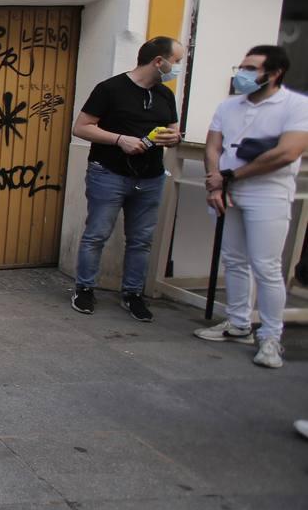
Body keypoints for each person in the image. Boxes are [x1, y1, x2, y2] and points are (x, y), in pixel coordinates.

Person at [195, 45, 308, 369]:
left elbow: (287, 153)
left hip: (267, 192)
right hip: (228, 190)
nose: (241, 73)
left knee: (266, 266)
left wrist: (230, 176)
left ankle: (271, 336)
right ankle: (238, 323)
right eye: (241, 66)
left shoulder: (296, 106)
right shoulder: (229, 106)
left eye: (250, 68)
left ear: (273, 74)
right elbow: (213, 144)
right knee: (234, 259)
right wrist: (215, 179)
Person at [70, 36, 185, 320]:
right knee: (96, 235)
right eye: (177, 61)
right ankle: (84, 289)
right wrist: (120, 139)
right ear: (159, 61)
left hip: (150, 177)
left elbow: (173, 129)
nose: (178, 68)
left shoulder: (165, 95)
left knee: (141, 239)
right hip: (108, 173)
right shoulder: (110, 89)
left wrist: (173, 137)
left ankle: (132, 294)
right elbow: (82, 127)